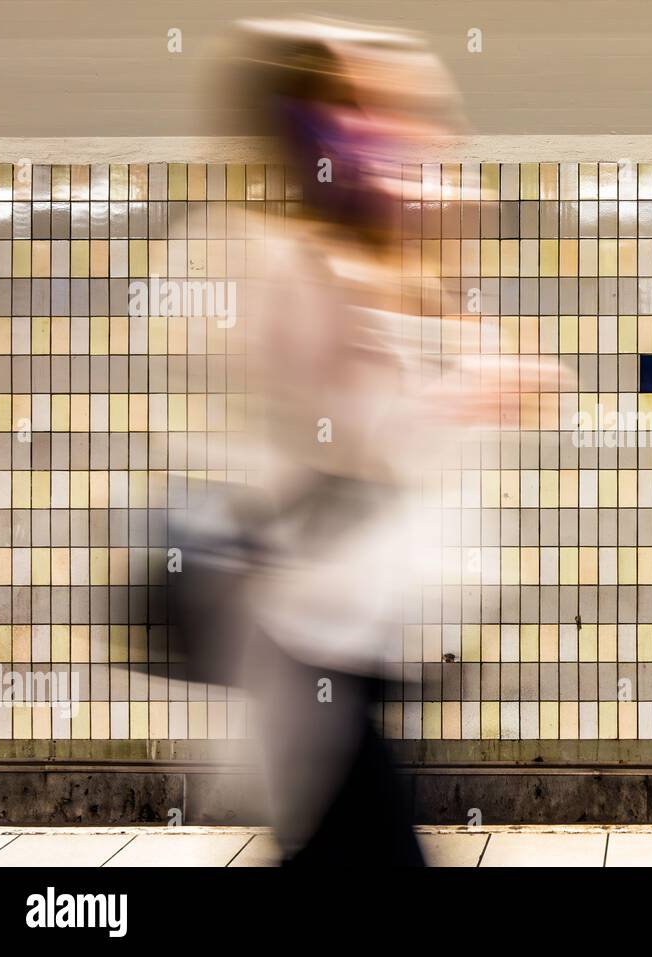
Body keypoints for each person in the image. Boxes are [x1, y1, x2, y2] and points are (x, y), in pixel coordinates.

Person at [173, 17, 564, 866]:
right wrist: (477, 389)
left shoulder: (370, 272)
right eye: (384, 117)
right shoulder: (285, 266)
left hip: (365, 641)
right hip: (313, 643)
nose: (427, 139)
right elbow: (363, 439)